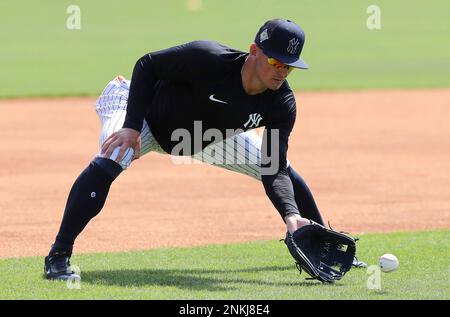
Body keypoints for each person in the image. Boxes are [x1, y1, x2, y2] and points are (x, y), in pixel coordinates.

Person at [44, 18, 366, 281]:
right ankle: (58, 256)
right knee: (113, 156)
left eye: (289, 67)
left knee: (278, 165)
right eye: (275, 61)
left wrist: (291, 215)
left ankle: (321, 239)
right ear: (254, 51)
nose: (282, 71)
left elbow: (273, 168)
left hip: (202, 136)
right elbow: (146, 65)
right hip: (141, 110)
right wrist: (130, 125)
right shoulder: (208, 58)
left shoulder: (281, 103)